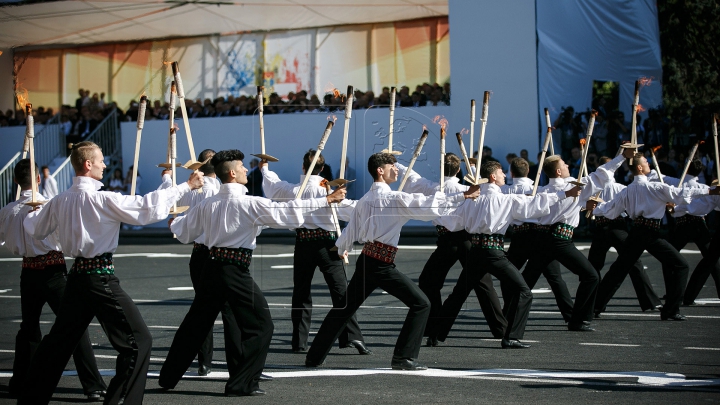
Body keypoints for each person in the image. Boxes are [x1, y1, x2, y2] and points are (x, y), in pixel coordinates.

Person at [20, 141, 204, 404]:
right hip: (98, 277)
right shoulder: (102, 199)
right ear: (88, 164)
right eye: (101, 160)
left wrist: (33, 209)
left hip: (77, 278)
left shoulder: (59, 200)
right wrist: (186, 186)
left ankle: (30, 399)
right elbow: (145, 209)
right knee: (139, 341)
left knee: (58, 343)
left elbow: (35, 229)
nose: (105, 165)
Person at [160, 149, 347, 396]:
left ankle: (168, 377)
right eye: (241, 166)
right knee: (261, 325)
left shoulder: (208, 203)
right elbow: (288, 213)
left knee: (196, 325)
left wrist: (174, 223)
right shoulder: (249, 203)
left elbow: (184, 232)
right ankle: (241, 383)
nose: (246, 169)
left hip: (211, 267)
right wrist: (325, 200)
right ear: (232, 173)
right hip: (233, 270)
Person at [304, 152, 479, 370]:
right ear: (380, 170)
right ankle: (403, 358)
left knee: (344, 309)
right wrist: (461, 196)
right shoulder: (393, 198)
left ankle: (314, 356)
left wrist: (342, 247)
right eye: (392, 166)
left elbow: (352, 228)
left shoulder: (366, 200)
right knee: (421, 303)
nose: (396, 170)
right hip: (380, 265)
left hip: (369, 261)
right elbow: (427, 206)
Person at [436, 160, 581, 348]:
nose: (505, 175)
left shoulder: (473, 200)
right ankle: (511, 337)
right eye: (501, 172)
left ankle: (436, 333)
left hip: (476, 252)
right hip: (493, 253)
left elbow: (454, 223)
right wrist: (565, 194)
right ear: (493, 177)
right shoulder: (504, 199)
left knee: (458, 294)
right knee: (524, 291)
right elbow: (535, 204)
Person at [0, 159, 106, 401]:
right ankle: (93, 385)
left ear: (16, 181)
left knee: (28, 328)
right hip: (53, 270)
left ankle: (21, 382)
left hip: (28, 272)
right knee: (74, 326)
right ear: (39, 179)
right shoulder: (50, 205)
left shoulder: (7, 211)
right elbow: (67, 237)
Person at [261, 149, 370, 355]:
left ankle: (299, 341)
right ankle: (352, 336)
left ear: (303, 167)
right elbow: (352, 209)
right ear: (322, 168)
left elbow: (274, 187)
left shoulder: (295, 191)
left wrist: (265, 169)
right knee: (340, 292)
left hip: (304, 243)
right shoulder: (328, 192)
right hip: (328, 244)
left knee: (301, 293)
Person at [591, 153, 720, 321]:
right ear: (639, 167)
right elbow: (681, 193)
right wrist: (710, 190)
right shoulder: (654, 187)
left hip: (637, 232)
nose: (649, 164)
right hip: (650, 234)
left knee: (619, 270)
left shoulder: (628, 190)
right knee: (680, 265)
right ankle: (671, 310)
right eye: (646, 162)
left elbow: (611, 208)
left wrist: (594, 209)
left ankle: (595, 307)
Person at [398, 153, 507, 346]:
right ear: (458, 170)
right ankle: (500, 328)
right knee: (482, 284)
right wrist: (474, 171)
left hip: (447, 241)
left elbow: (411, 176)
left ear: (441, 169)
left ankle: (434, 328)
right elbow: (487, 191)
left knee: (429, 282)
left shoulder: (432, 187)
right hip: (465, 240)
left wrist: (393, 161)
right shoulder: (468, 189)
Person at [521, 149, 634, 331]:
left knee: (526, 281)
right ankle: (579, 319)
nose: (567, 165)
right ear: (558, 171)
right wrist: (621, 156)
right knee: (590, 276)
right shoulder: (573, 187)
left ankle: (507, 315)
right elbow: (602, 174)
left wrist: (581, 205)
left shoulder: (544, 190)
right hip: (559, 239)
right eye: (563, 164)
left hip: (542, 239)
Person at [588, 157, 662, 316]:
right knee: (632, 263)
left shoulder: (602, 189)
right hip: (615, 227)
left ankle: (592, 304)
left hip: (605, 227)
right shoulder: (621, 188)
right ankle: (649, 300)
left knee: (594, 267)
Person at [659, 160, 720, 305]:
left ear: (684, 169)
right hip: (698, 224)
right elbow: (710, 206)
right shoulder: (705, 188)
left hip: (683, 225)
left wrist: (675, 209)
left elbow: (657, 175)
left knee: (669, 257)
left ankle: (671, 292)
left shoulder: (674, 182)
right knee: (711, 261)